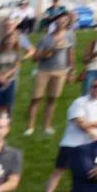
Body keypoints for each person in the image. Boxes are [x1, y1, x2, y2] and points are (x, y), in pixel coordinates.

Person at [40, 74, 97, 192]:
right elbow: (79, 122)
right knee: (59, 170)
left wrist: (89, 124)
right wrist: (95, 125)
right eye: (95, 86)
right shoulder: (80, 102)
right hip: (72, 143)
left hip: (92, 144)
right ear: (90, 87)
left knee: (89, 172)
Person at [27, 12, 78, 144]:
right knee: (36, 99)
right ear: (55, 21)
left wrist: (71, 71)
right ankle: (30, 127)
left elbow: (71, 54)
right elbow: (35, 58)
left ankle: (46, 126)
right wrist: (51, 51)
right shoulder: (46, 38)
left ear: (68, 22)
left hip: (60, 72)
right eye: (60, 19)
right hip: (44, 71)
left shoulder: (70, 36)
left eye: (65, 20)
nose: (63, 22)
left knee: (52, 99)